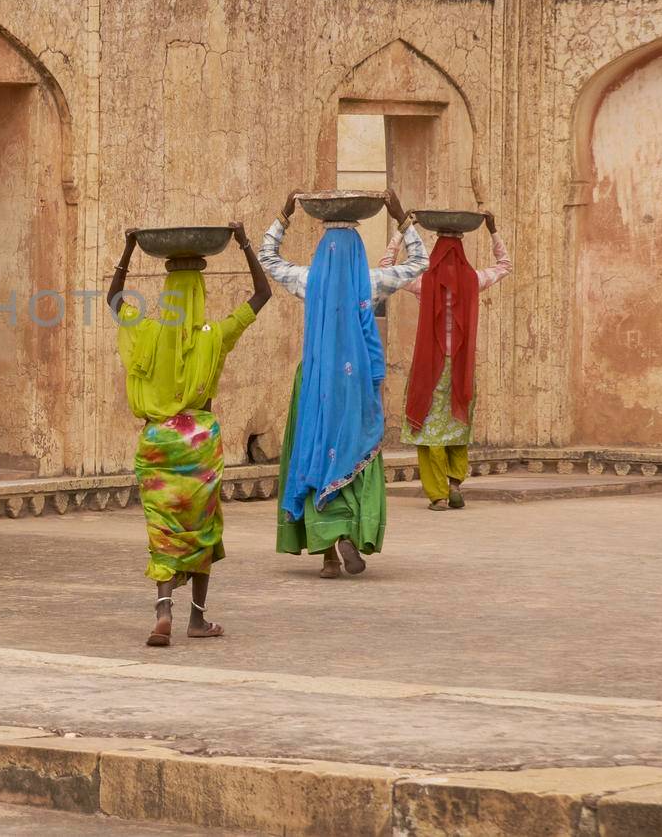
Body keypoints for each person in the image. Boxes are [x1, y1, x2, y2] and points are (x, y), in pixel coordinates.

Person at [109, 223, 272, 646]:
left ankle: (163, 610)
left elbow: (114, 300)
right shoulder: (214, 336)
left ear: (166, 295)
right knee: (202, 528)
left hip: (157, 443)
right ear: (200, 294)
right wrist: (243, 242)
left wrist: (127, 250)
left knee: (163, 527)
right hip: (199, 442)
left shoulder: (144, 332)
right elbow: (262, 295)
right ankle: (197, 620)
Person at [258, 190, 427, 579]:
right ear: (357, 252)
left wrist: (284, 215)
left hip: (316, 381)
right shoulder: (370, 281)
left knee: (317, 448)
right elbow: (420, 262)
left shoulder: (307, 279)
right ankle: (348, 531)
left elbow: (268, 258)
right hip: (355, 386)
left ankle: (327, 552)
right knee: (351, 451)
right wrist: (402, 220)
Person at [380, 211, 512, 510]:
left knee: (430, 430)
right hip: (460, 368)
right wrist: (493, 230)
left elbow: (386, 266)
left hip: (430, 368)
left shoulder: (424, 281)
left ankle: (438, 494)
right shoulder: (473, 279)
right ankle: (455, 483)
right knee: (457, 422)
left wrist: (404, 230)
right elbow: (505, 265)